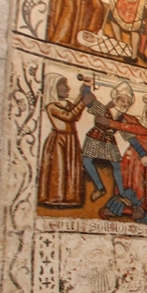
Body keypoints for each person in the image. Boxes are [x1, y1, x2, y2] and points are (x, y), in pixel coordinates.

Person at [37, 74, 87, 208]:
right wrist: (84, 102)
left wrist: (83, 92)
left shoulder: (67, 104)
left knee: (71, 167)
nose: (68, 87)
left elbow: (75, 113)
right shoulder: (52, 106)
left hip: (71, 138)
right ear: (54, 87)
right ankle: (55, 197)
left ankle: (70, 197)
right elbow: (70, 115)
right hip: (59, 140)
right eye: (64, 84)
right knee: (59, 168)